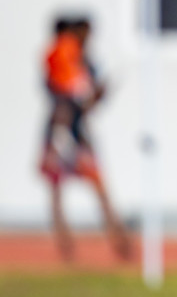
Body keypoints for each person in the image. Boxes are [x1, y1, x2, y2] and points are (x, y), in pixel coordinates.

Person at [38, 16, 132, 263]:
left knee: (97, 186)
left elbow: (85, 102)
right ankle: (66, 248)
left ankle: (119, 241)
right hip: (61, 130)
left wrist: (100, 93)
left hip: (78, 132)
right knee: (58, 190)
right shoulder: (60, 55)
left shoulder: (84, 62)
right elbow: (67, 93)